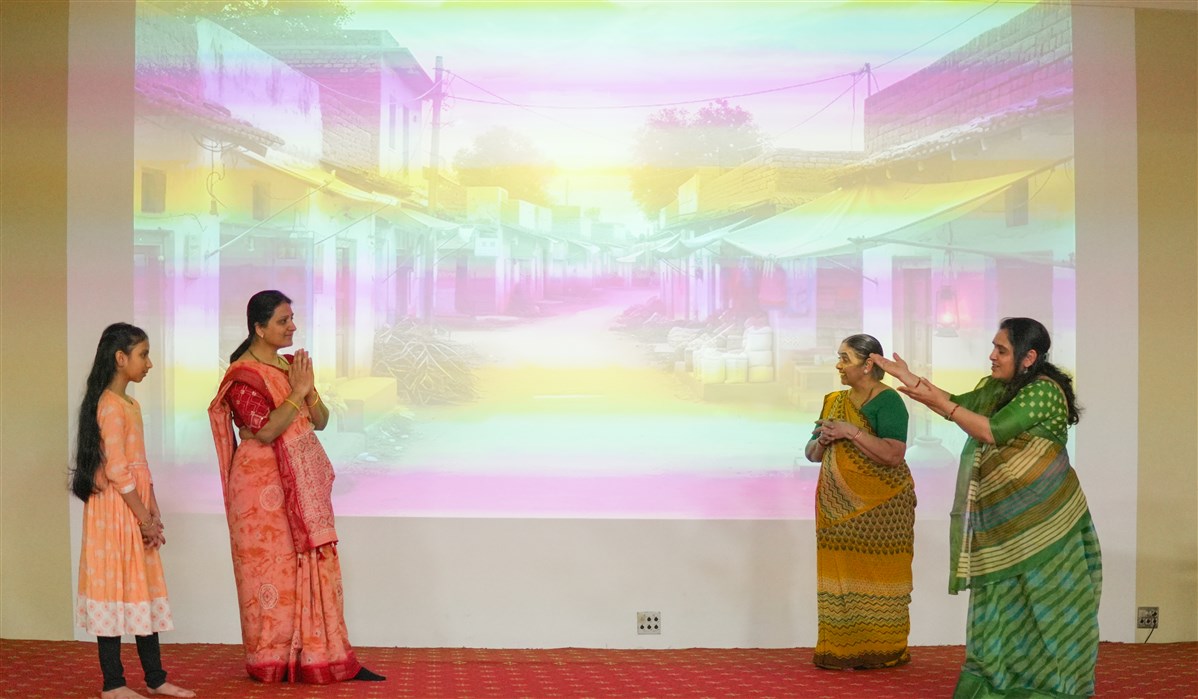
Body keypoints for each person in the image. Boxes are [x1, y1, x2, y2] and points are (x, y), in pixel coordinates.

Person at [872, 317, 1101, 698]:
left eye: (1001, 350)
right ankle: (998, 685)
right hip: (1004, 529)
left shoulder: (1044, 391)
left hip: (1048, 525)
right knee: (1003, 611)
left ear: (1029, 357)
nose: (992, 356)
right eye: (994, 347)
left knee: (1051, 612)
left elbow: (992, 431)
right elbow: (959, 403)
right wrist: (909, 379)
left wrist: (943, 405)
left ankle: (1054, 688)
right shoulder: (999, 388)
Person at [207, 290, 384, 684]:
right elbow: (266, 431)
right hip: (260, 490)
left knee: (312, 565)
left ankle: (321, 656)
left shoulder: (290, 367)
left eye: (292, 319)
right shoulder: (242, 376)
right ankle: (272, 660)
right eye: (283, 321)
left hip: (301, 485)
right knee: (273, 573)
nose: (292, 327)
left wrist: (308, 389)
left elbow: (320, 420)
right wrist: (297, 393)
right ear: (259, 328)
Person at [71, 323, 195, 699]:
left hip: (133, 506)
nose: (149, 363)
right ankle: (113, 683)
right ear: (120, 358)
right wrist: (142, 516)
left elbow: (139, 465)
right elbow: (116, 470)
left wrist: (152, 510)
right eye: (143, 355)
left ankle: (155, 677)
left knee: (143, 588)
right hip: (115, 511)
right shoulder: (109, 405)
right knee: (112, 589)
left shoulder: (131, 404)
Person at [804, 334, 915, 670]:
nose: (838, 365)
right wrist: (824, 439)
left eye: (845, 358)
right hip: (837, 512)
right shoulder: (834, 401)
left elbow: (893, 455)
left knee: (882, 580)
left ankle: (883, 650)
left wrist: (849, 432)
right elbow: (811, 454)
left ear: (868, 364)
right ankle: (841, 650)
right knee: (840, 581)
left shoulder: (889, 401)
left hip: (882, 509)